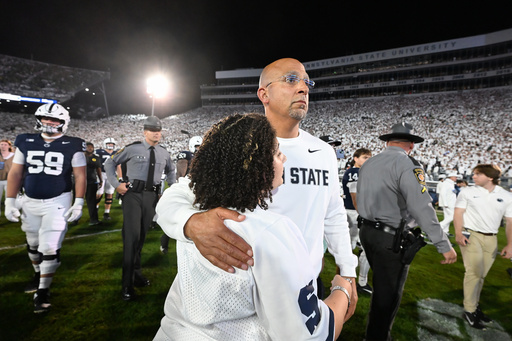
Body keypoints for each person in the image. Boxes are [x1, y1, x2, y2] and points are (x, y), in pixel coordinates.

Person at [156, 58, 358, 317]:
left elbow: (333, 215)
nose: (303, 88)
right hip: (243, 282)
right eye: (291, 79)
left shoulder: (324, 152)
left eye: (307, 82)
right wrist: (190, 223)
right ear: (264, 94)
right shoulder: (238, 146)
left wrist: (347, 270)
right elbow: (178, 194)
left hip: (304, 284)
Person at [357, 122, 457, 341]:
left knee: (382, 286)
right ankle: (377, 338)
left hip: (366, 231)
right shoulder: (407, 164)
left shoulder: (369, 163)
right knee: (388, 294)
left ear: (388, 141)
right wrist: (443, 244)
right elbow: (422, 206)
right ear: (411, 144)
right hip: (390, 238)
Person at [4, 103, 86, 313]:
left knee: (49, 246)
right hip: (29, 200)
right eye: (46, 118)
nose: (50, 123)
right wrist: (10, 200)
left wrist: (78, 201)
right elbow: (15, 172)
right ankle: (37, 273)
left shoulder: (73, 144)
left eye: (55, 120)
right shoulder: (25, 140)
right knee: (32, 242)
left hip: (58, 200)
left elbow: (79, 175)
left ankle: (43, 290)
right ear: (39, 119)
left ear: (63, 122)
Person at [104, 116, 175, 301]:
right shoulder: (132, 148)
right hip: (132, 195)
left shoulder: (164, 153)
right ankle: (126, 285)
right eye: (152, 130)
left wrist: (172, 188)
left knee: (141, 238)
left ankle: (136, 275)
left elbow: (171, 171)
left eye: (159, 130)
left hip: (151, 197)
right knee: (131, 238)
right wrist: (116, 184)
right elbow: (109, 163)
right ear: (145, 132)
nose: (156, 133)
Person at [454, 164, 512, 329]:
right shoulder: (467, 192)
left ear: (490, 177)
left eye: (477, 174)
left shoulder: (506, 196)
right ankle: (470, 310)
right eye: (474, 174)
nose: (473, 176)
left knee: (481, 275)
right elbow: (458, 212)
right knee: (473, 272)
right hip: (471, 235)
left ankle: (474, 305)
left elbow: (510, 221)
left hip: (491, 238)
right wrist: (458, 232)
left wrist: (510, 244)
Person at [159, 135, 202, 254]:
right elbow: (181, 172)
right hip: (188, 188)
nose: (199, 149)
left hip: (199, 189)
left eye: (200, 146)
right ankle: (164, 243)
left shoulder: (203, 157)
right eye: (197, 146)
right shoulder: (186, 155)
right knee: (181, 218)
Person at [341, 148, 373, 294]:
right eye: (365, 157)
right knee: (363, 248)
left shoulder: (359, 172)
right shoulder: (354, 173)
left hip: (355, 213)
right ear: (355, 158)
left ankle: (347, 279)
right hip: (355, 214)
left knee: (352, 248)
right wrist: (364, 214)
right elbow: (355, 197)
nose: (368, 160)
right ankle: (359, 281)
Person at [95, 137, 118, 221]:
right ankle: (95, 209)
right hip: (102, 174)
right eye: (109, 144)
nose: (110, 145)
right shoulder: (99, 152)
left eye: (112, 144)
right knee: (99, 192)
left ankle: (106, 212)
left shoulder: (116, 153)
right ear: (105, 144)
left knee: (110, 193)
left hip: (111, 174)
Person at [84, 142, 102, 225]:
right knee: (76, 200)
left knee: (92, 201)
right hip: (79, 181)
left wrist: (101, 180)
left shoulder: (96, 158)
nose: (90, 148)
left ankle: (94, 219)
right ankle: (74, 219)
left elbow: (98, 169)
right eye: (88, 147)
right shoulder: (79, 156)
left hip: (91, 181)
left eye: (92, 147)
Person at [0, 139, 15, 216]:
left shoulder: (13, 156)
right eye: (1, 144)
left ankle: (9, 213)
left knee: (8, 199)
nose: (3, 146)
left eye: (5, 144)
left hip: (9, 180)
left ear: (9, 146)